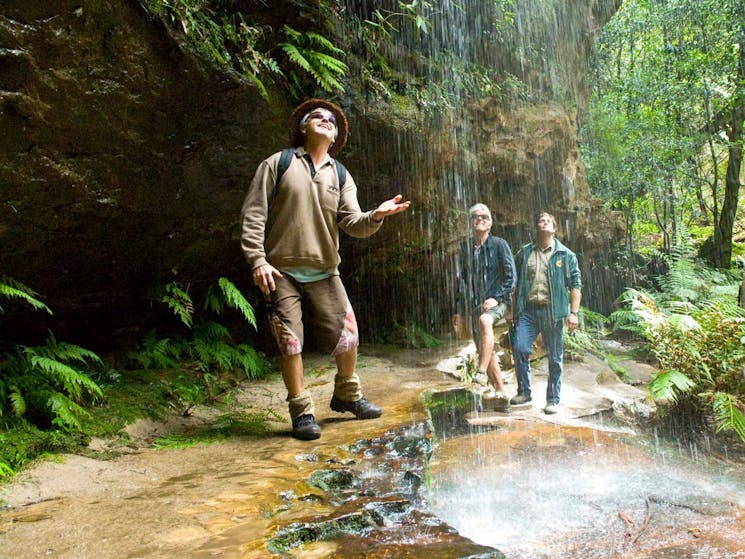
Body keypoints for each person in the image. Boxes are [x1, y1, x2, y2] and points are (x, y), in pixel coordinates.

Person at [240, 99, 410, 440]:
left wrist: (376, 215)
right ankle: (301, 411)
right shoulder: (279, 164)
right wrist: (257, 260)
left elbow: (352, 222)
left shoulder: (341, 175)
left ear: (335, 137)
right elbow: (254, 213)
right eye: (316, 116)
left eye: (331, 120)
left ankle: (347, 395)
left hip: (325, 270)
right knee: (289, 341)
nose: (325, 120)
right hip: (281, 270)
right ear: (303, 128)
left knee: (348, 335)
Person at [508, 212, 582, 414]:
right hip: (528, 311)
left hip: (553, 311)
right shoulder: (524, 253)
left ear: (554, 228)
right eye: (541, 220)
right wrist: (511, 310)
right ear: (536, 227)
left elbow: (575, 285)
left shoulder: (566, 255)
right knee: (520, 347)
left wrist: (573, 313)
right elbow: (515, 284)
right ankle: (524, 391)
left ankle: (553, 399)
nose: (545, 222)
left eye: (549, 220)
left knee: (555, 358)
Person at [453, 203, 516, 398]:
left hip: (499, 301)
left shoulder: (499, 244)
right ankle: (501, 391)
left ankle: (480, 373)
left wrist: (497, 299)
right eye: (476, 217)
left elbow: (511, 276)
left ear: (490, 224)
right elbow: (459, 281)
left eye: (484, 217)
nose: (480, 219)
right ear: (471, 223)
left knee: (485, 321)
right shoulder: (464, 248)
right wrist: (457, 311)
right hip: (475, 304)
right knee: (484, 348)